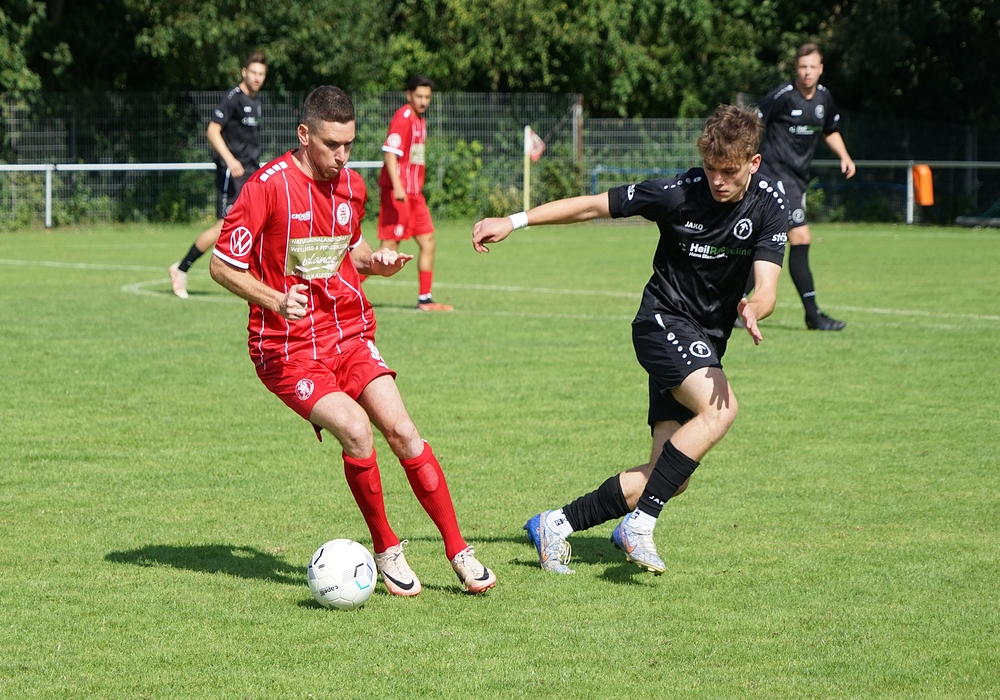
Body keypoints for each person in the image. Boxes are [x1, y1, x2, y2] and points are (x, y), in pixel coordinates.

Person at [472, 105, 787, 575]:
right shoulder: (677, 193)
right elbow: (590, 206)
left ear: (753, 163)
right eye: (711, 168)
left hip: (705, 342)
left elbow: (767, 288)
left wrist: (753, 308)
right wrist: (515, 221)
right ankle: (639, 526)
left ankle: (554, 524)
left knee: (668, 475)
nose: (718, 180)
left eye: (729, 171)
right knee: (721, 411)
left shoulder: (769, 204)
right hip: (662, 322)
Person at [209, 86, 496, 596]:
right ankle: (387, 549)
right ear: (304, 135)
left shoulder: (351, 185)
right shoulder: (266, 188)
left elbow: (352, 251)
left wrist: (376, 263)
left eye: (349, 144)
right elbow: (221, 266)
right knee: (357, 430)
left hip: (349, 334)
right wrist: (275, 299)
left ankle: (459, 550)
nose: (342, 155)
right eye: (331, 144)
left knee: (403, 431)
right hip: (288, 350)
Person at [754, 42, 856, 330]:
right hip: (774, 174)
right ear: (796, 69)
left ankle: (731, 304)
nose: (807, 72)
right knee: (800, 237)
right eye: (802, 67)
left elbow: (830, 130)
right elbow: (753, 124)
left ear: (821, 69)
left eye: (812, 67)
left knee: (762, 241)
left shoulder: (824, 98)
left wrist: (845, 156)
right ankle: (813, 314)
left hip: (798, 179)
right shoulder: (782, 96)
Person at [169, 51, 268, 299]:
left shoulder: (256, 101)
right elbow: (213, 131)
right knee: (223, 226)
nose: (257, 77)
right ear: (244, 73)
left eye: (261, 74)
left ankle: (259, 278)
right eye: (253, 72)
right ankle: (181, 269)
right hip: (231, 175)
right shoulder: (233, 98)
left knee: (259, 221)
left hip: (251, 174)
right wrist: (230, 160)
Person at [376, 75, 453, 311]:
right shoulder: (403, 118)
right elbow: (390, 153)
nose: (423, 101)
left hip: (415, 196)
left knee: (428, 242)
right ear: (409, 95)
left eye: (427, 97)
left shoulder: (420, 120)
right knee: (387, 251)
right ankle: (339, 291)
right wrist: (398, 185)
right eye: (419, 96)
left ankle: (425, 300)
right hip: (399, 194)